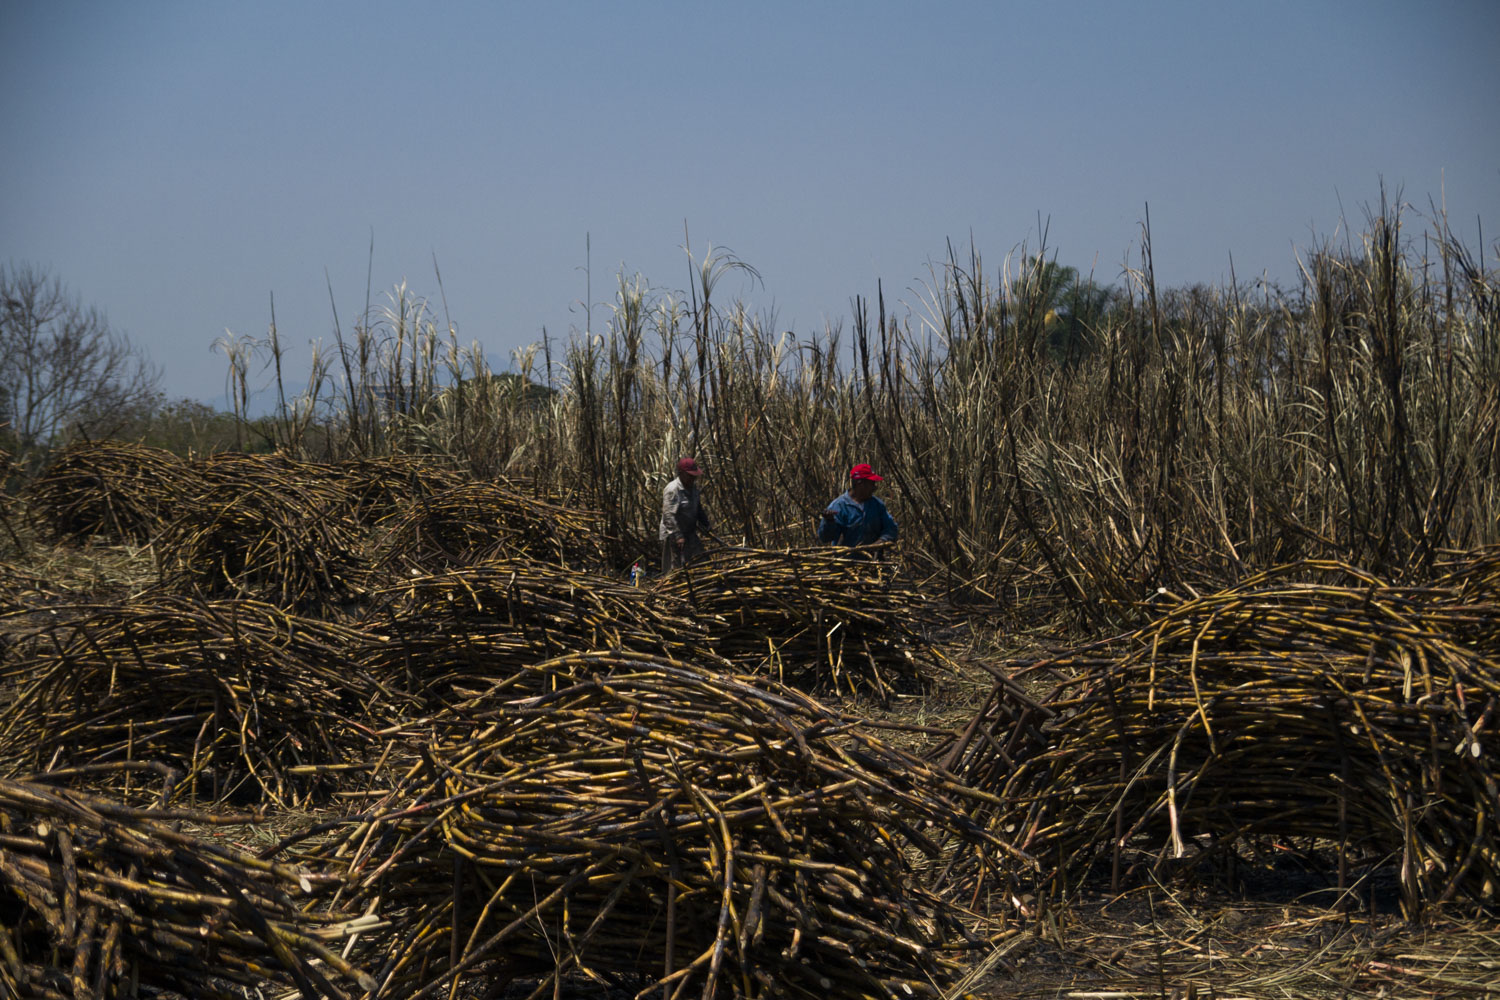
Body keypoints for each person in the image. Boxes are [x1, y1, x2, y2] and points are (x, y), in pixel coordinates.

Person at [818, 463, 899, 546]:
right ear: (860, 483)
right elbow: (825, 538)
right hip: (846, 558)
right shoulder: (839, 506)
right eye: (872, 484)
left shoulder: (877, 505)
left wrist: (878, 543)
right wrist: (829, 522)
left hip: (874, 557)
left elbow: (891, 529)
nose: (874, 488)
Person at [660, 456, 711, 570]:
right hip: (673, 532)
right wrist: (678, 536)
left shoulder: (693, 488)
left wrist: (705, 522)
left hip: (689, 531)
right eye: (690, 476)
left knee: (700, 559)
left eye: (694, 476)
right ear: (681, 473)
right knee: (676, 565)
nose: (693, 479)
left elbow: (697, 507)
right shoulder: (672, 490)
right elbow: (668, 516)